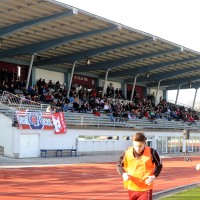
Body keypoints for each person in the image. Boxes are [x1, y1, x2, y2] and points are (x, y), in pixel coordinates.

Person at [116, 132, 163, 200]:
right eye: (136, 146)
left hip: (146, 188)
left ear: (144, 143)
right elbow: (119, 165)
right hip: (132, 187)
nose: (138, 148)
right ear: (133, 143)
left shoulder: (152, 152)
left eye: (140, 146)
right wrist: (123, 174)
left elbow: (159, 165)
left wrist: (154, 176)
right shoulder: (127, 152)